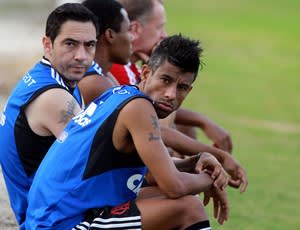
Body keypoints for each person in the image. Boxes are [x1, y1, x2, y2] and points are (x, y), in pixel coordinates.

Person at [26, 34, 230, 230]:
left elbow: (154, 174)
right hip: (61, 224)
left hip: (56, 217)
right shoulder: (139, 107)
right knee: (189, 208)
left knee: (175, 199)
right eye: (166, 80)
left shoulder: (119, 94)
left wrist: (194, 163)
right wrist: (211, 179)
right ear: (147, 73)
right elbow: (173, 185)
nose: (170, 94)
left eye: (182, 87)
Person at [0, 3, 98, 228]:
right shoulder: (55, 98)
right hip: (50, 220)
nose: (81, 56)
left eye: (89, 45)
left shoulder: (46, 76)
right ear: (47, 44)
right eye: (70, 44)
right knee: (182, 207)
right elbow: (100, 159)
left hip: (47, 211)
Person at [111, 0, 233, 154]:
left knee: (183, 125)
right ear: (135, 29)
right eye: (159, 27)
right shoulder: (119, 73)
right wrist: (218, 157)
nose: (164, 35)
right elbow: (157, 128)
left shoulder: (132, 68)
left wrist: (201, 121)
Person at [78, 0, 132, 106]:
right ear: (110, 35)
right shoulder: (95, 84)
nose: (132, 38)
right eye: (128, 30)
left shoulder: (104, 75)